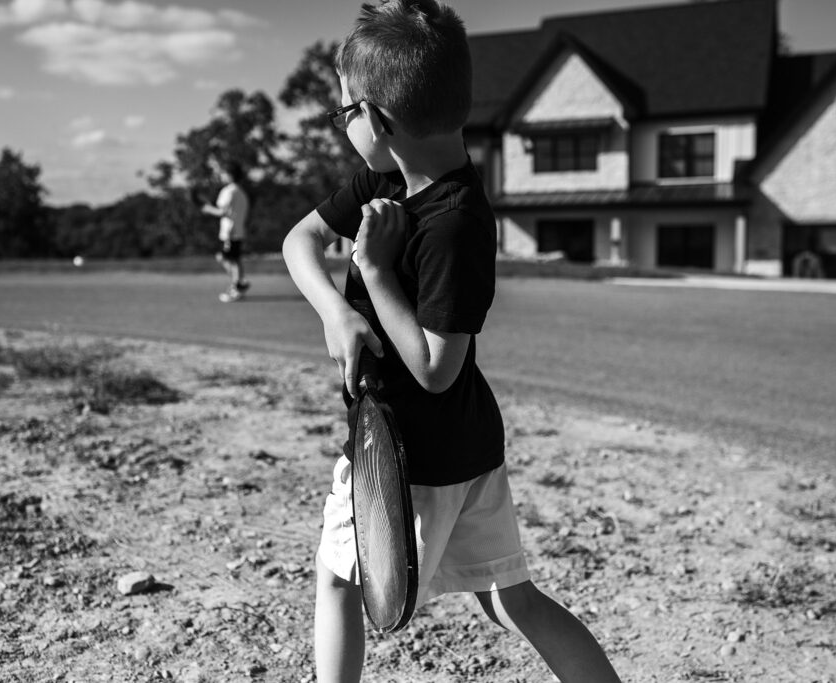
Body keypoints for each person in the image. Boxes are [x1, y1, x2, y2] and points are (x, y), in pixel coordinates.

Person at [281, 1, 623, 681]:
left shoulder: (454, 222)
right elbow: (300, 239)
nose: (343, 124)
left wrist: (373, 274)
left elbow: (438, 367)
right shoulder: (387, 179)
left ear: (378, 120)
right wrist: (334, 311)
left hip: (408, 454)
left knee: (338, 582)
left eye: (343, 112)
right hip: (469, 447)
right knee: (511, 599)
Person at [203, 160, 251, 302]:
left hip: (230, 232)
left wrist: (207, 209)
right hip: (238, 231)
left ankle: (236, 287)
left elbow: (222, 211)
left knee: (227, 259)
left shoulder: (229, 191)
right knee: (234, 259)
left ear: (230, 175)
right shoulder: (241, 193)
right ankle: (240, 283)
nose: (222, 175)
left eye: (223, 173)